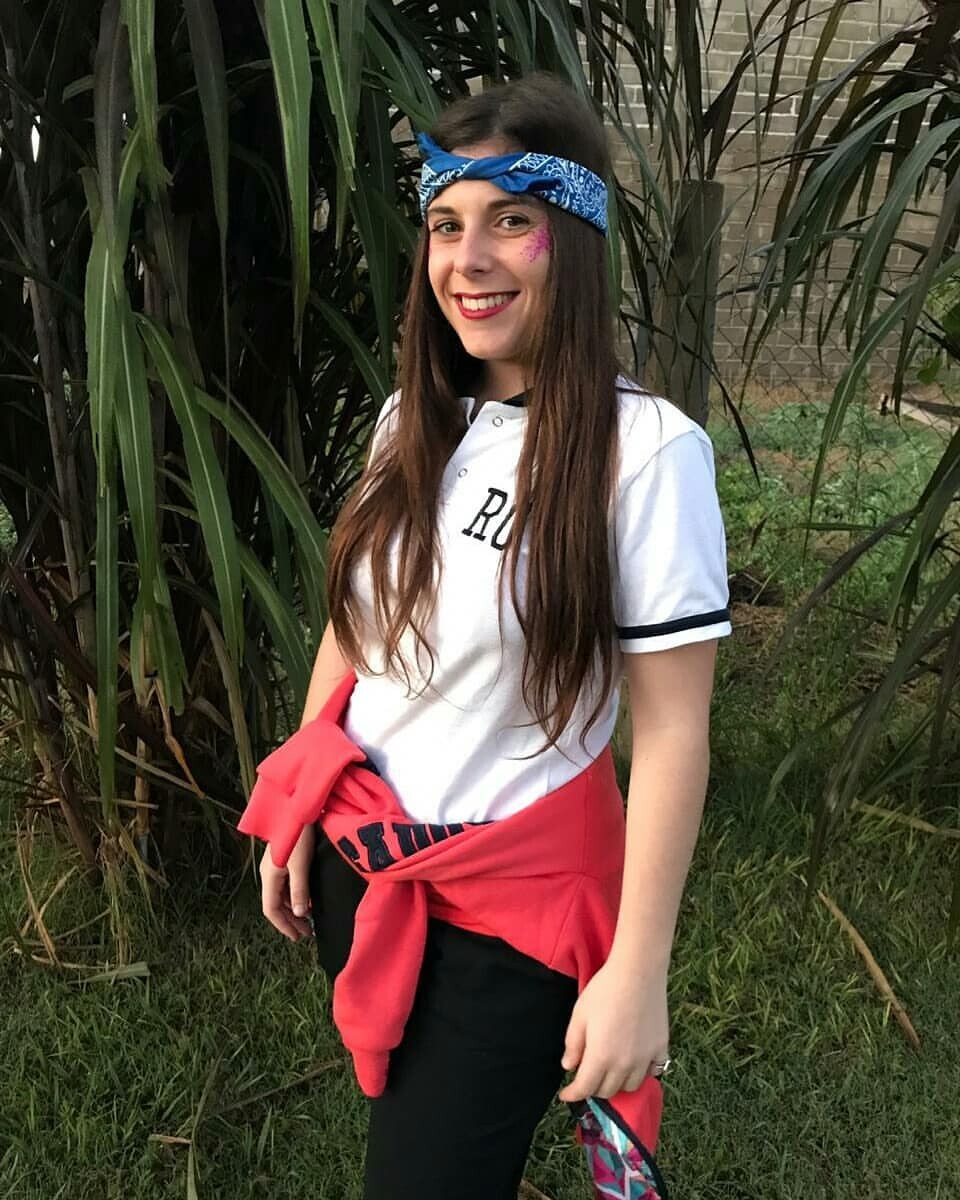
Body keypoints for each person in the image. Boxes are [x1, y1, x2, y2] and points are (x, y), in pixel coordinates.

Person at [245, 71, 731, 1199]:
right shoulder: (409, 421)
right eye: (446, 224)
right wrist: (301, 793)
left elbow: (671, 733)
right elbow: (357, 632)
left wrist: (638, 970)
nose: (468, 260)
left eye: (511, 221)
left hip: (507, 919)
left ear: (576, 236)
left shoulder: (648, 454)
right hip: (365, 864)